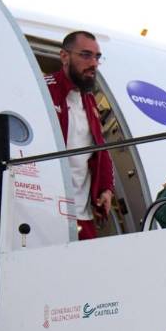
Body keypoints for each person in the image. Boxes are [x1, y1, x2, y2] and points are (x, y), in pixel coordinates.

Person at [45, 31, 115, 241]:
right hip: (48, 209)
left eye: (97, 57)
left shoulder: (89, 100)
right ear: (64, 56)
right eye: (85, 55)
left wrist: (106, 189)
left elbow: (100, 149)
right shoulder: (44, 89)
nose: (93, 63)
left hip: (82, 213)